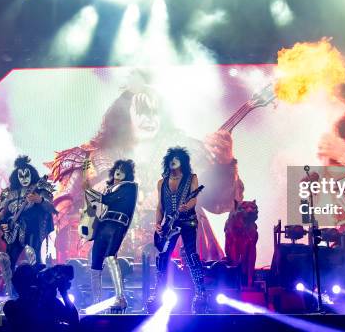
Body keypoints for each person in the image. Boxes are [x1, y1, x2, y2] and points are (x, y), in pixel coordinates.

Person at [46, 70, 243, 263]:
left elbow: (220, 203)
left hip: (177, 261)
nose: (149, 119)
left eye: (154, 113)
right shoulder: (90, 157)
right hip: (106, 260)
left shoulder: (188, 154)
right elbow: (60, 205)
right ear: (123, 116)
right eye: (142, 112)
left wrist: (226, 164)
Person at [147, 147, 206, 313]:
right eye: (171, 158)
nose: (173, 160)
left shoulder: (191, 178)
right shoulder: (162, 182)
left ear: (183, 161)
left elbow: (194, 197)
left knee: (191, 254)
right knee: (163, 256)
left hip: (188, 221)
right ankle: (158, 292)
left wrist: (188, 205)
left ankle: (201, 292)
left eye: (177, 158)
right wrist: (158, 223)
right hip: (169, 226)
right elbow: (160, 206)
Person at [0, 156, 56, 300]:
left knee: (34, 258)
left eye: (26, 175)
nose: (23, 178)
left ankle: (38, 290)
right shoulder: (10, 193)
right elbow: (2, 214)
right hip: (14, 232)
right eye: (20, 176)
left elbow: (50, 207)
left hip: (33, 230)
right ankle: (11, 293)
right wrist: (2, 224)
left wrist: (40, 200)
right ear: (16, 177)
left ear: (32, 174)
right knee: (8, 261)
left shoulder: (40, 189)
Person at [83, 159, 138, 310]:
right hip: (102, 227)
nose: (118, 172)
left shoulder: (129, 187)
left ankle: (121, 298)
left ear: (127, 174)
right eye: (117, 168)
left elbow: (107, 200)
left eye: (123, 170)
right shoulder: (108, 189)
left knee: (110, 257)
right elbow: (98, 208)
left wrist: (89, 190)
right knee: (95, 264)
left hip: (117, 225)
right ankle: (96, 302)